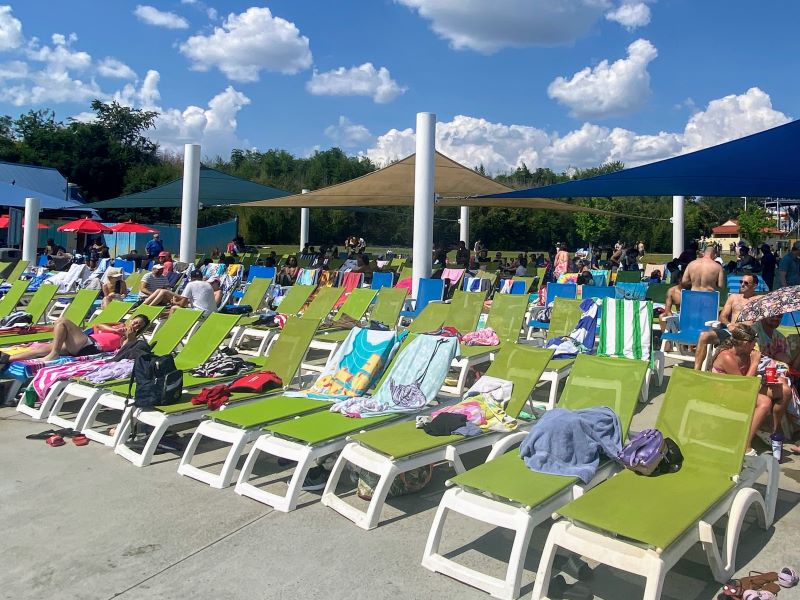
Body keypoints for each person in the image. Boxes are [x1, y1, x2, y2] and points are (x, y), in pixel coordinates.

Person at [710, 324, 787, 455]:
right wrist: (755, 363)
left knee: (784, 391)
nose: (755, 345)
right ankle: (745, 445)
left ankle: (770, 431)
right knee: (764, 402)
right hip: (724, 394)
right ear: (746, 343)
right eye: (753, 342)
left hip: (740, 390)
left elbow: (747, 383)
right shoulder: (727, 356)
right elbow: (744, 385)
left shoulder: (745, 353)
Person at [0, 314, 151, 365]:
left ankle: (54, 354)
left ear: (141, 328)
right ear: (131, 320)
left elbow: (123, 350)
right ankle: (7, 359)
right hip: (84, 341)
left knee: (62, 321)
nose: (135, 324)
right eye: (135, 321)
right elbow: (98, 325)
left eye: (139, 325)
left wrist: (128, 337)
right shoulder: (120, 325)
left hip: (92, 346)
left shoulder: (134, 338)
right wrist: (115, 329)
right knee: (38, 350)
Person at [693, 272, 758, 370]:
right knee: (703, 336)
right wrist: (729, 325)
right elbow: (722, 316)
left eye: (746, 283)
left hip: (747, 335)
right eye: (741, 282)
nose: (742, 284)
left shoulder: (759, 300)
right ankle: (696, 371)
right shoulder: (733, 297)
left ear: (754, 286)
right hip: (731, 331)